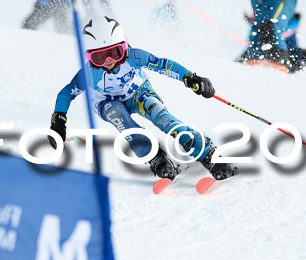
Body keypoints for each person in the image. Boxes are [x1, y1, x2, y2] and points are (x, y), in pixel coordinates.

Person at [48, 16, 237, 181]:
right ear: (89, 57)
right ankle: (155, 156)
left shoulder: (134, 56)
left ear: (124, 46)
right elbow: (66, 95)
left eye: (115, 52)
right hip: (107, 103)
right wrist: (58, 122)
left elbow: (164, 65)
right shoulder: (88, 74)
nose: (109, 61)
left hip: (139, 92)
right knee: (119, 115)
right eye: (99, 57)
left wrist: (190, 78)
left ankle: (207, 153)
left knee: (163, 119)